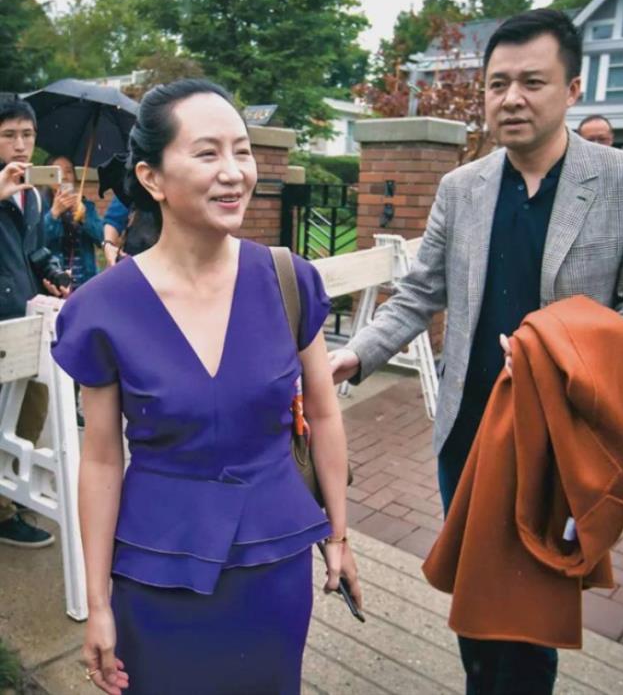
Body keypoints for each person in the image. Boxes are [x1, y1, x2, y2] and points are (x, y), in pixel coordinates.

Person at [330, 8, 623, 695]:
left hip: (559, 437)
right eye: (498, 84)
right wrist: (358, 354)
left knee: (530, 620)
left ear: (572, 89)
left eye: (532, 82)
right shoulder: (462, 187)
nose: (511, 98)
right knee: (476, 601)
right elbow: (418, 293)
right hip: (469, 433)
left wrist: (566, 351)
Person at [51, 79, 360, 695]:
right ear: (152, 177)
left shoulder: (289, 280)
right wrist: (98, 601)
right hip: (154, 570)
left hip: (274, 565)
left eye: (242, 151)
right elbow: (102, 458)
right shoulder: (103, 308)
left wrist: (340, 536)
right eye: (207, 153)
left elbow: (324, 416)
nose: (234, 172)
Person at [0, 99, 69, 549]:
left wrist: (55, 274)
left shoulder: (35, 193)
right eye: (9, 135)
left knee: (30, 408)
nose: (20, 144)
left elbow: (35, 250)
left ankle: (9, 492)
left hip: (28, 317)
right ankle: (3, 511)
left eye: (27, 134)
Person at [43, 155, 104, 289]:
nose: (64, 176)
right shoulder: (40, 206)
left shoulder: (86, 206)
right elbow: (37, 243)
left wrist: (85, 218)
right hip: (53, 283)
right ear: (48, 178)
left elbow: (102, 238)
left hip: (85, 282)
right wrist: (54, 214)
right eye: (57, 172)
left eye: (69, 171)